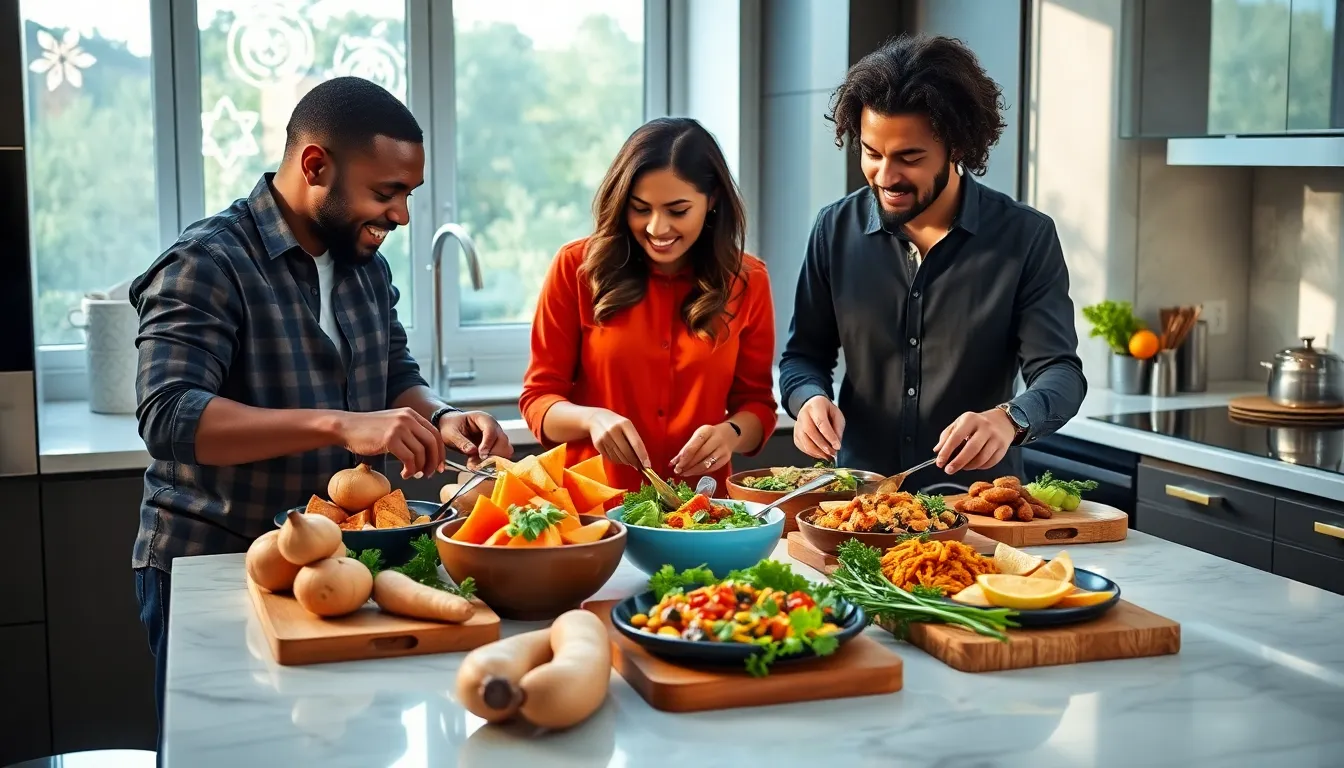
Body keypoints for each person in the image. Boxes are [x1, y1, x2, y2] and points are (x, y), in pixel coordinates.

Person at [130, 77, 512, 721]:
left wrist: (442, 418)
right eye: (386, 193)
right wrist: (341, 424)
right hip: (221, 569)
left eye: (408, 195)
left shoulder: (364, 261)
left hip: (349, 574)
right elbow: (170, 416)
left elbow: (394, 372)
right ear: (315, 165)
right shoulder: (206, 263)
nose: (401, 216)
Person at [779, 34, 1086, 490]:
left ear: (957, 147)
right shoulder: (833, 230)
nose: (885, 176)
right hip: (858, 505)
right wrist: (808, 400)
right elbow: (802, 357)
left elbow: (1059, 371)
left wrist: (1010, 419)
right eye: (871, 152)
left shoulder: (1026, 237)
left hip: (976, 506)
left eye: (909, 158)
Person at [520, 117, 777, 494]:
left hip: (700, 513)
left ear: (713, 201)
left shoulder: (748, 280)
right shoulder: (576, 268)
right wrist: (591, 419)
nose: (657, 228)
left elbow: (757, 406)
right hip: (592, 512)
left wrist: (731, 432)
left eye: (677, 210)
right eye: (641, 208)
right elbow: (538, 400)